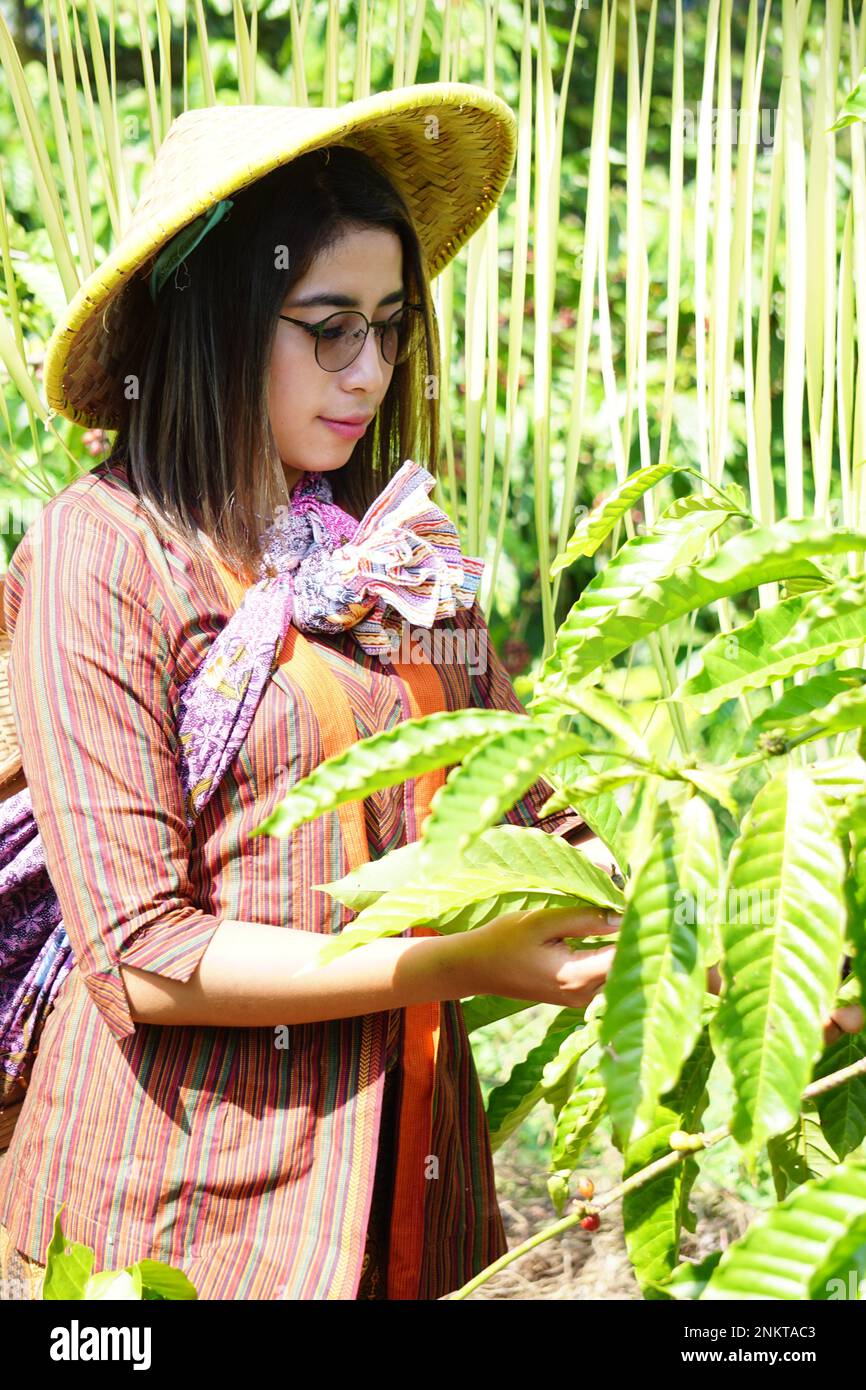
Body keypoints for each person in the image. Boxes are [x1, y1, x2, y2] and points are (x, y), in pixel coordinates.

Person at [0, 86, 621, 1302]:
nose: (370, 369)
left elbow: (536, 818)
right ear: (218, 322)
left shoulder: (399, 560)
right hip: (171, 1219)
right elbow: (144, 954)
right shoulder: (108, 550)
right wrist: (450, 963)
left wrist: (755, 948)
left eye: (389, 326)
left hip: (403, 1191)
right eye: (326, 326)